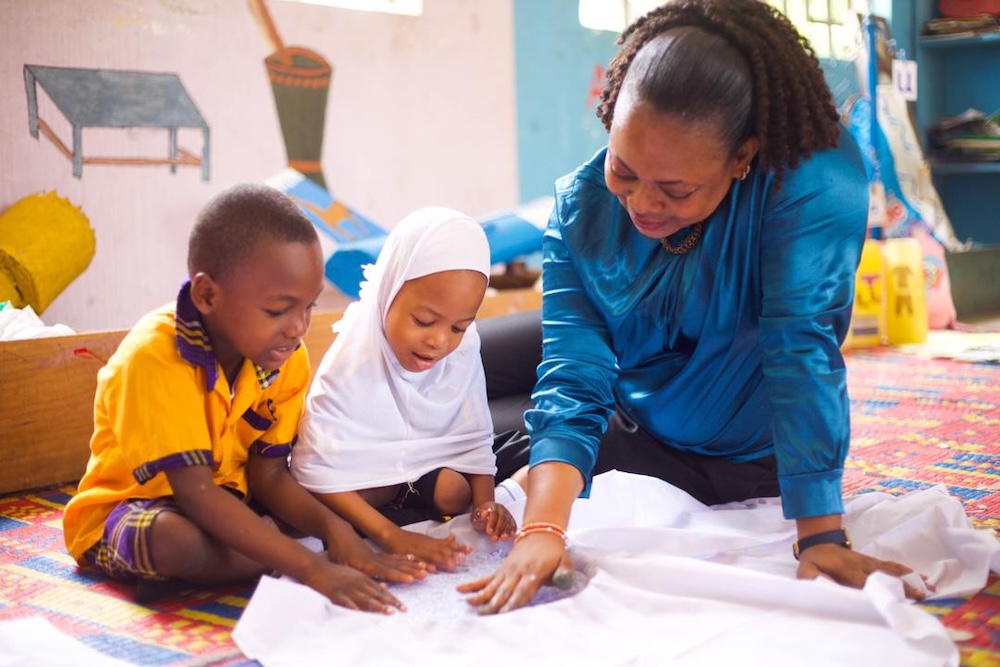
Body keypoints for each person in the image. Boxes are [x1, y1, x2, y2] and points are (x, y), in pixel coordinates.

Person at [459, 0, 927, 614]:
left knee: (458, 452)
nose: (642, 205)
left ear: (742, 158)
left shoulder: (807, 177)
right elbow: (574, 373)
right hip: (627, 365)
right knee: (446, 365)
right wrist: (543, 529)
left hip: (709, 448)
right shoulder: (584, 203)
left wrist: (820, 536)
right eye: (625, 171)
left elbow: (799, 347)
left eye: (676, 190)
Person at [63, 184, 426, 613]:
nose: (297, 327)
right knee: (172, 541)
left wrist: (336, 533)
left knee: (340, 490)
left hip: (233, 501)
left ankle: (254, 549)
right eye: (278, 311)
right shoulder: (155, 356)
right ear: (207, 295)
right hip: (135, 509)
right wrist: (315, 568)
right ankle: (265, 548)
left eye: (308, 307)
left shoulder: (284, 357)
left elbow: (270, 476)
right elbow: (196, 494)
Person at [291, 207, 523, 572]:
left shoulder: (461, 348)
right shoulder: (353, 361)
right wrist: (391, 536)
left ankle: (407, 499)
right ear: (389, 291)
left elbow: (473, 438)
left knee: (455, 490)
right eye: (424, 321)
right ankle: (396, 509)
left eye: (459, 327)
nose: (439, 341)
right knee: (309, 511)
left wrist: (485, 505)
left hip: (418, 477)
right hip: (354, 491)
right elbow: (316, 472)